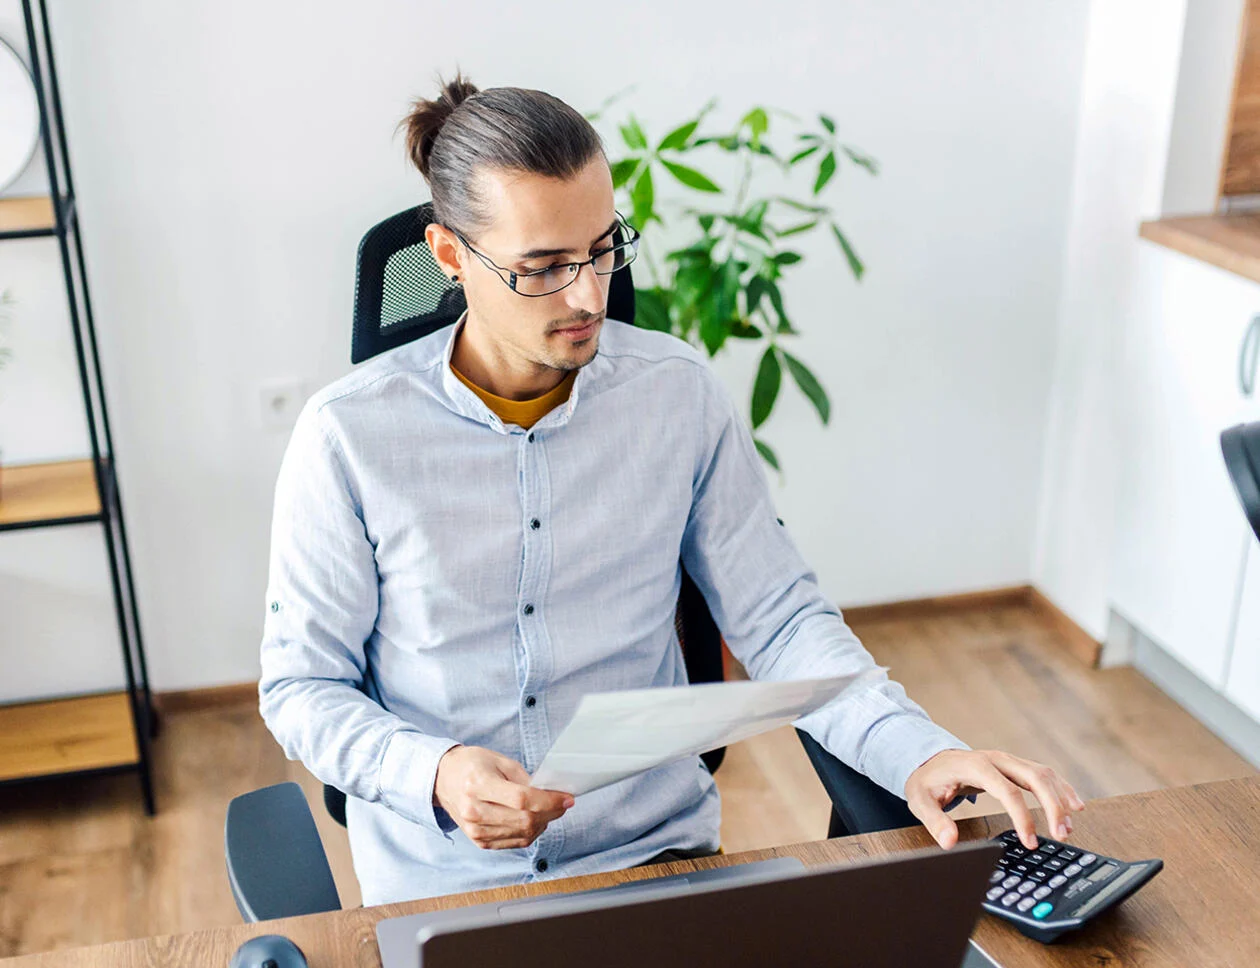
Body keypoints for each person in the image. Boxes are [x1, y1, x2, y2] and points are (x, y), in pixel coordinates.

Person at [258, 72, 1085, 906]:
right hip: (447, 887)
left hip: (655, 863)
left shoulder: (676, 394)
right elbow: (302, 687)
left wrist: (918, 750)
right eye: (543, 267)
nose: (590, 294)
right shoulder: (350, 437)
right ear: (449, 257)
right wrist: (430, 772)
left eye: (603, 248)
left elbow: (781, 616)